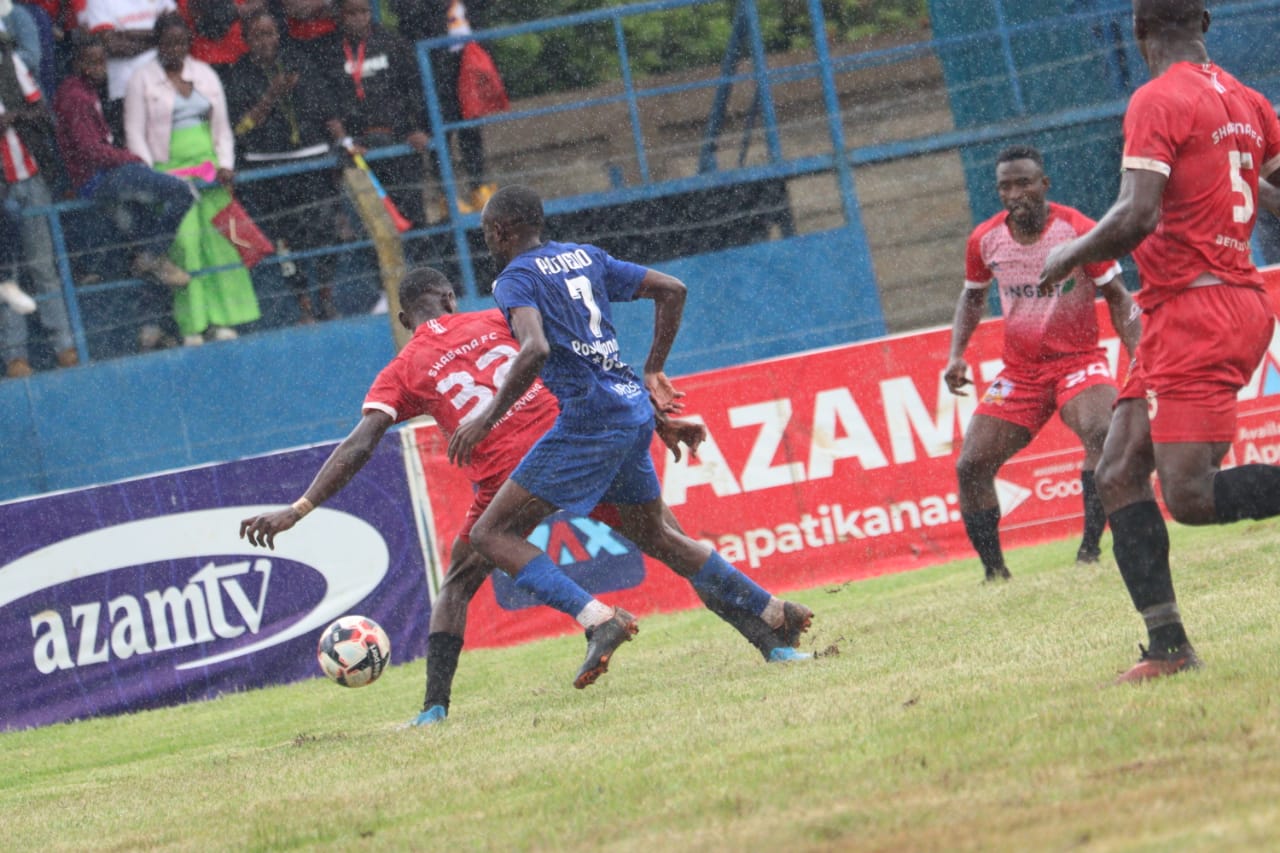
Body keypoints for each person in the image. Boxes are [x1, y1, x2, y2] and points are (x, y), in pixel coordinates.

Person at [239, 267, 813, 725]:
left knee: (461, 580)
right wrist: (656, 419)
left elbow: (361, 443)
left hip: (512, 475)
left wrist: (299, 508)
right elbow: (588, 359)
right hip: (580, 439)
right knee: (668, 539)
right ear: (447, 296)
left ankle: (437, 708)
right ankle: (773, 643)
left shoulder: (402, 369)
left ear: (403, 317)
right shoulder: (497, 318)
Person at [448, 184, 814, 692]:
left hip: (588, 421)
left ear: (500, 230)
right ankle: (771, 609)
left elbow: (533, 349)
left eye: (486, 230)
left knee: (490, 534)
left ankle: (598, 618)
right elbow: (673, 289)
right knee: (658, 536)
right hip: (630, 410)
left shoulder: (513, 279)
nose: (486, 238)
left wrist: (486, 418)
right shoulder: (584, 256)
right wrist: (654, 366)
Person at [1038, 0, 1280, 683]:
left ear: (1139, 32)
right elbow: (1268, 185)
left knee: (1191, 497)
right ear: (1204, 24)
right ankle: (1169, 647)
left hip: (1200, 309)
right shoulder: (1247, 99)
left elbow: (1136, 214)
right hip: (1196, 304)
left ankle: (1173, 648)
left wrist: (1067, 256)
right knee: (1117, 472)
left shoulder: (1156, 97)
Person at [946, 144, 1140, 582]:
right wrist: (956, 354)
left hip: (1078, 361)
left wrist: (1138, 356)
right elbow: (972, 296)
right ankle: (995, 575)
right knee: (970, 465)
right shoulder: (985, 239)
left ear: (1044, 185)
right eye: (1005, 186)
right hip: (1021, 373)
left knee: (1101, 431)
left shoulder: (1080, 230)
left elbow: (1119, 298)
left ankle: (1089, 552)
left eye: (1024, 182)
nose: (1015, 193)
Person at [55, 32, 198, 351]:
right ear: (77, 63)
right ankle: (153, 257)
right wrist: (130, 159)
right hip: (102, 179)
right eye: (91, 61)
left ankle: (151, 330)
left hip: (102, 178)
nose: (99, 67)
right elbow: (91, 150)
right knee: (183, 192)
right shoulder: (76, 96)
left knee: (144, 239)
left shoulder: (85, 91)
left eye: (101, 60)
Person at [125, 11, 260, 345]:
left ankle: (225, 321)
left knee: (221, 244)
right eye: (169, 42)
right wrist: (152, 179)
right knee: (185, 249)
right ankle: (193, 326)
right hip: (169, 180)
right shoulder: (141, 80)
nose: (176, 48)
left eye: (182, 42)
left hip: (211, 175)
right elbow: (135, 135)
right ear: (157, 43)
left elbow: (222, 128)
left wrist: (225, 164)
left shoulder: (205, 74)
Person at [223, 9, 339, 323]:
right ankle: (304, 307)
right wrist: (272, 95)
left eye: (271, 33)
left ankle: (327, 297)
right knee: (285, 241)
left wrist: (343, 141)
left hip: (311, 161)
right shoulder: (238, 75)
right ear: (246, 40)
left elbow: (325, 106)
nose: (266, 41)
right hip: (269, 169)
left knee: (327, 232)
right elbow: (241, 127)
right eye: (258, 35)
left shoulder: (298, 60)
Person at [0, 31, 76, 377]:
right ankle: (15, 357)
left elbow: (41, 111)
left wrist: (12, 117)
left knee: (43, 267)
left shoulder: (10, 62)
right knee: (6, 275)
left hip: (29, 176)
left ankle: (65, 346)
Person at [319, 0, 430, 229]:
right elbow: (327, 104)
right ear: (340, 14)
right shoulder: (329, 52)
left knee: (412, 215)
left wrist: (417, 128)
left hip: (398, 141)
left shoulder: (392, 42)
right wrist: (345, 142)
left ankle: (421, 261)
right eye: (352, 13)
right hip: (357, 148)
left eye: (364, 12)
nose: (359, 18)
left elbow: (413, 89)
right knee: (371, 225)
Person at [393, 0, 496, 216]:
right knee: (440, 136)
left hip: (466, 62)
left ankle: (479, 188)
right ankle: (447, 197)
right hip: (433, 66)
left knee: (471, 128)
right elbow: (407, 14)